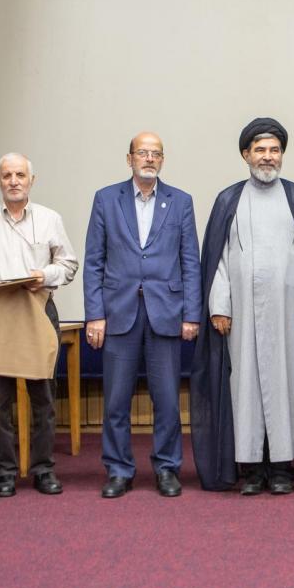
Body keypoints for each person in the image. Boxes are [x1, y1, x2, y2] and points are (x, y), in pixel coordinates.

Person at [190, 117, 294, 494]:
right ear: (246, 155)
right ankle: (251, 468)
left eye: (274, 150)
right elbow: (218, 259)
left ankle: (282, 467)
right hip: (241, 316)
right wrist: (219, 305)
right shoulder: (228, 200)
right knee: (245, 386)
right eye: (260, 150)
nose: (268, 157)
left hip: (289, 316)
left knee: (287, 386)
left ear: (282, 155)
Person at [84, 133, 201, 499]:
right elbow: (93, 261)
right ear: (129, 158)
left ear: (162, 160)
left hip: (166, 313)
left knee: (167, 401)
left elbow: (190, 262)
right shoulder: (106, 199)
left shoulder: (181, 202)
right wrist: (94, 315)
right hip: (118, 313)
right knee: (116, 401)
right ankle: (119, 470)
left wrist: (192, 315)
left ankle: (167, 468)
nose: (149, 159)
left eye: (156, 154)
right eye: (142, 153)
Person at [0, 152, 78, 498]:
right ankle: (5, 472)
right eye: (7, 175)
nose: (14, 181)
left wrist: (45, 275)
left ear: (31, 180)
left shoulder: (49, 218)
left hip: (37, 309)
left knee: (44, 399)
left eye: (20, 175)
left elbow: (68, 264)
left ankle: (43, 469)